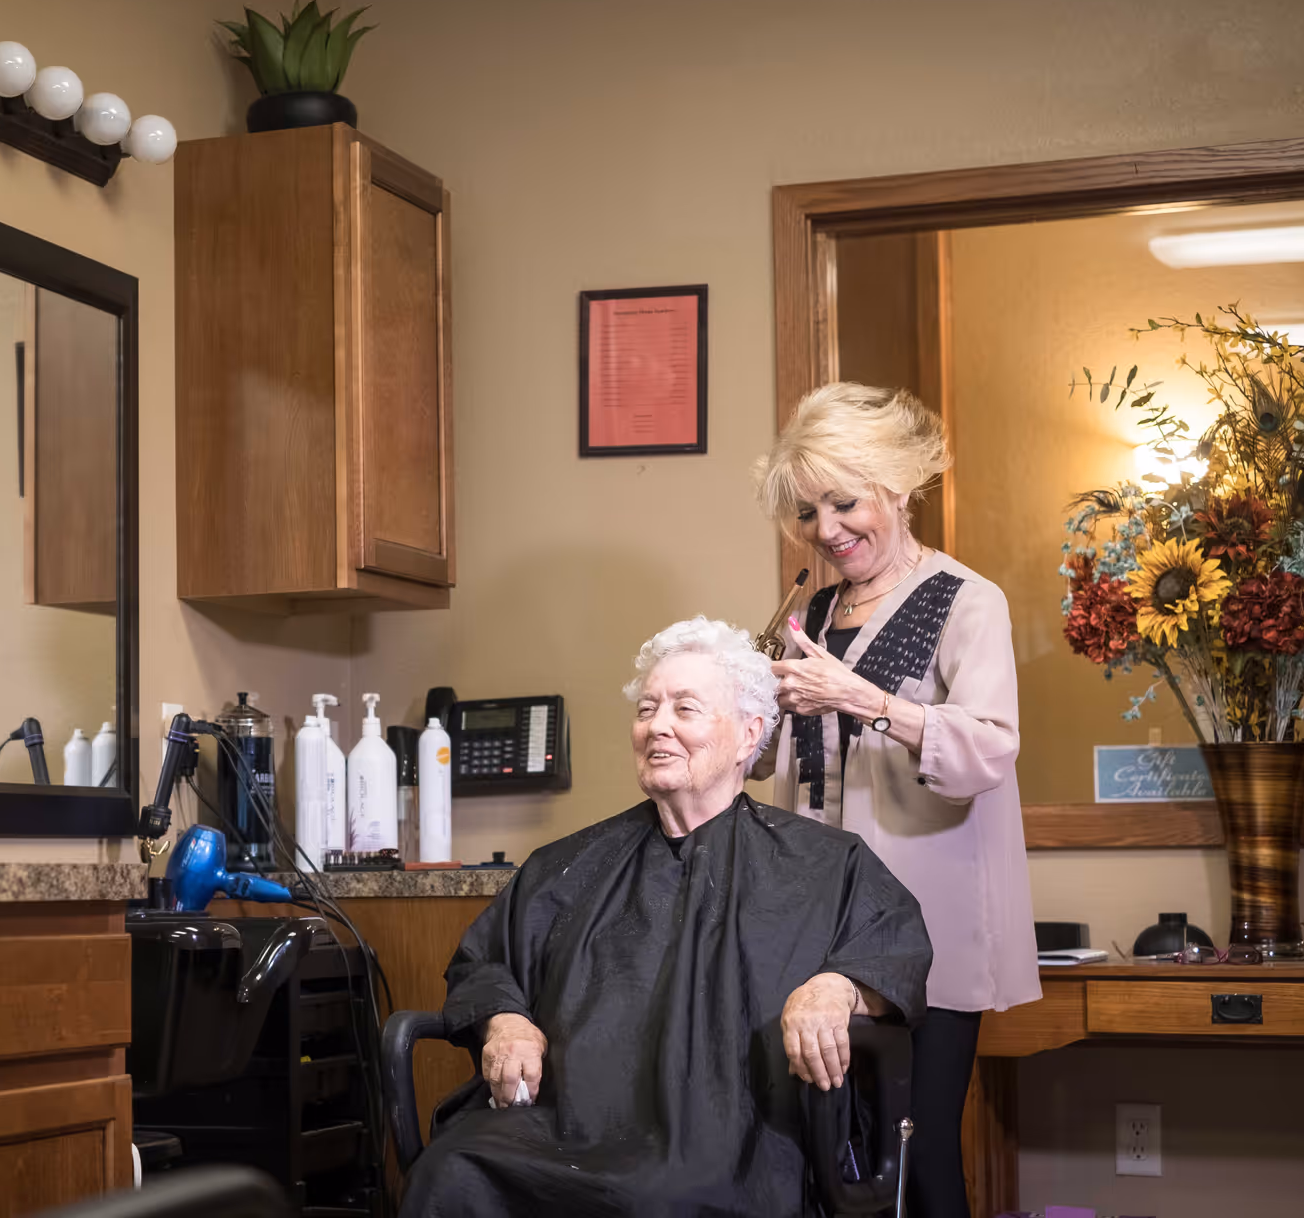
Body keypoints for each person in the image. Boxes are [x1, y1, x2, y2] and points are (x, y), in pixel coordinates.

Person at [399, 616, 932, 1218]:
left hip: (736, 1137)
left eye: (686, 709)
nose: (658, 726)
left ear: (747, 735)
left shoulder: (826, 863)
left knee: (660, 1198)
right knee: (448, 1173)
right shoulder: (565, 864)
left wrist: (837, 988)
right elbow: (484, 960)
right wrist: (506, 1022)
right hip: (562, 1126)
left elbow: (896, 947)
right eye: (647, 708)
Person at [751, 382, 1039, 1218]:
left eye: (845, 503)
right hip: (816, 923)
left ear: (900, 489)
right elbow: (799, 767)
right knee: (823, 1157)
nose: (828, 531)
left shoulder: (967, 601)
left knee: (915, 1154)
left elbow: (986, 747)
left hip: (924, 925)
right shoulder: (813, 610)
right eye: (808, 513)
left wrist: (864, 699)